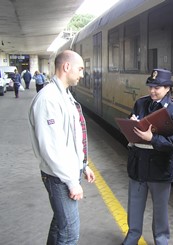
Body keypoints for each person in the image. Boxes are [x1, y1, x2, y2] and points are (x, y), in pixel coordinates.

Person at [28, 50, 96, 244]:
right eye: (80, 69)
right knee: (69, 233)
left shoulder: (63, 95)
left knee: (60, 224)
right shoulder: (48, 99)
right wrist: (72, 182)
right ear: (67, 67)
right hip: (59, 177)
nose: (82, 74)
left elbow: (72, 137)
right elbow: (51, 148)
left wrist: (83, 165)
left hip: (65, 173)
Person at [122, 69, 173, 245]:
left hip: (160, 167)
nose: (152, 91)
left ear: (167, 88)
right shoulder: (140, 103)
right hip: (138, 164)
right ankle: (133, 236)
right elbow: (130, 127)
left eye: (157, 87)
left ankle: (161, 239)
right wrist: (131, 124)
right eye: (151, 86)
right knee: (134, 205)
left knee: (160, 209)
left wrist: (153, 139)